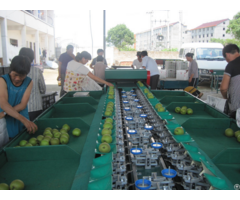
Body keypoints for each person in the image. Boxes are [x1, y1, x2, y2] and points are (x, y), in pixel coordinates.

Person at [0, 56, 38, 148]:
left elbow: (22, 105)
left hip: (19, 117)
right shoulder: (3, 80)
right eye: (15, 75)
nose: (17, 78)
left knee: (21, 142)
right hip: (5, 120)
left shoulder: (29, 82)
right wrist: (24, 120)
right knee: (5, 143)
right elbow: (3, 103)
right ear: (10, 70)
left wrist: (5, 112)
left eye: (21, 76)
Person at [19, 48, 46, 121]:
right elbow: (43, 89)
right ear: (32, 58)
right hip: (35, 107)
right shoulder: (37, 71)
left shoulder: (14, 72)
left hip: (18, 109)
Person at [220, 44, 240, 119]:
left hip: (237, 109)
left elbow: (223, 88)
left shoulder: (231, 65)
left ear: (227, 55)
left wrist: (226, 98)